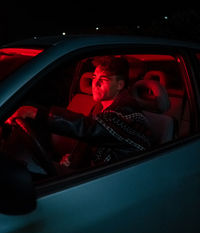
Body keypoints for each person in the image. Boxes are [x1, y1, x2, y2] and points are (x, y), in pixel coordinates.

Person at [6, 56, 152, 170]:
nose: (95, 84)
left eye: (104, 79)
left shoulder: (128, 111)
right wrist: (74, 158)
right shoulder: (100, 108)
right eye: (94, 77)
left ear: (120, 85)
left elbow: (91, 129)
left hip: (119, 177)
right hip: (101, 171)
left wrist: (38, 114)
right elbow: (92, 140)